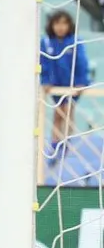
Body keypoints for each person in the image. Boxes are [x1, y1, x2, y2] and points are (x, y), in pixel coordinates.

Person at [40, 10, 90, 160]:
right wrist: (46, 81)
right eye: (57, 23)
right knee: (57, 113)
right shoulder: (46, 42)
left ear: (70, 25)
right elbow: (43, 63)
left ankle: (66, 141)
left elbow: (81, 62)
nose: (60, 27)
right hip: (55, 85)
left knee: (68, 111)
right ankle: (55, 143)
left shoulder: (75, 42)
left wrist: (81, 81)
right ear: (51, 25)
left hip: (72, 85)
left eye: (64, 23)